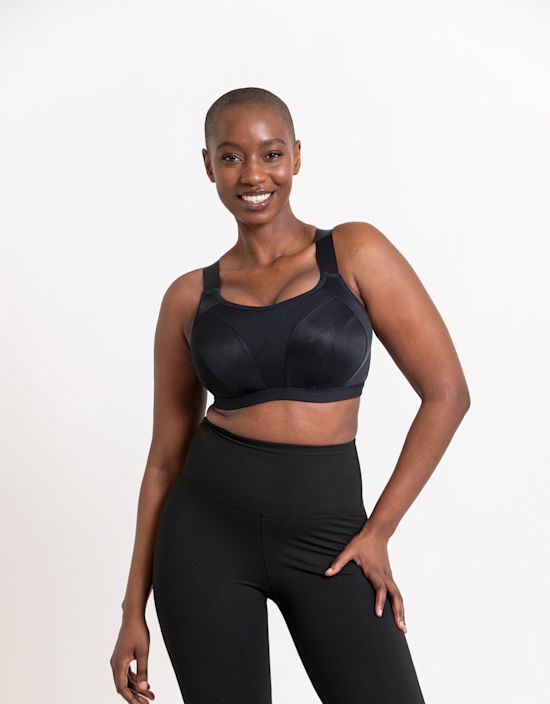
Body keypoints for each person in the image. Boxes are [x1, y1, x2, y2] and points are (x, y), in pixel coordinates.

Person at [110, 86, 470, 704]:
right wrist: (131, 610)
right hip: (204, 539)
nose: (253, 175)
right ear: (208, 166)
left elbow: (447, 394)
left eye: (271, 153)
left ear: (297, 156)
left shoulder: (355, 251)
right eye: (231, 157)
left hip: (332, 537)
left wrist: (379, 531)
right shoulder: (188, 298)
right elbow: (165, 460)